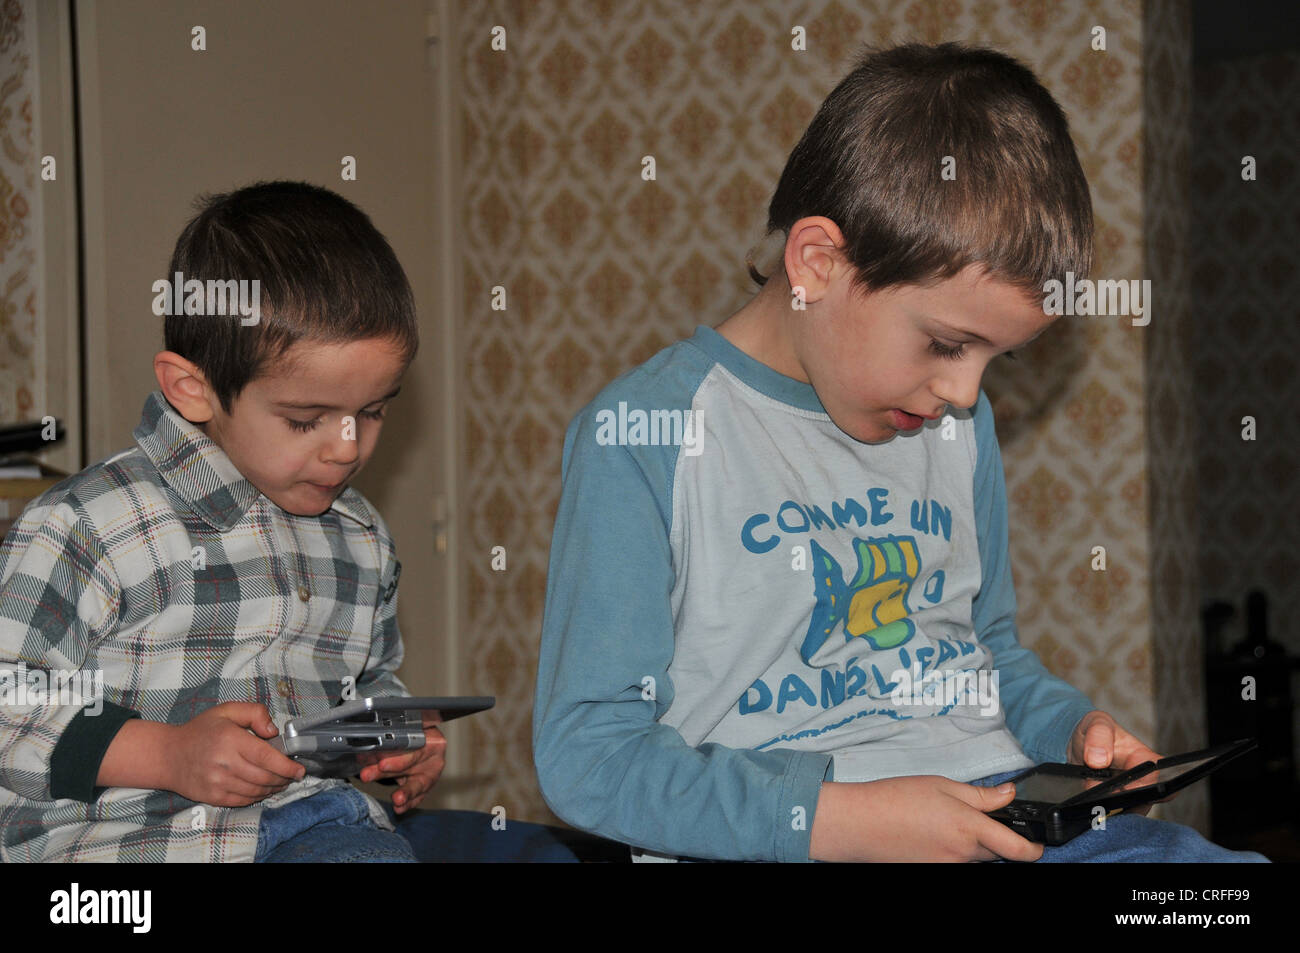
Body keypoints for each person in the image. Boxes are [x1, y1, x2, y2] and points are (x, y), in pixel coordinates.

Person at [533, 43, 1267, 862]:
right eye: (948, 342)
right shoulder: (644, 432)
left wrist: (1071, 728)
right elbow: (590, 758)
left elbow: (989, 652)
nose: (964, 393)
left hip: (1004, 810)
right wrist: (840, 822)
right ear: (817, 264)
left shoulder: (956, 424)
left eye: (998, 358)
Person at [0, 181, 579, 862]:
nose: (346, 446)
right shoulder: (87, 524)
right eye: (305, 419)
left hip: (320, 826)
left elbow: (366, 682)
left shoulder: (359, 537)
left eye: (372, 411)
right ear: (194, 389)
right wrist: (169, 754)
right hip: (129, 847)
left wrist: (391, 743)